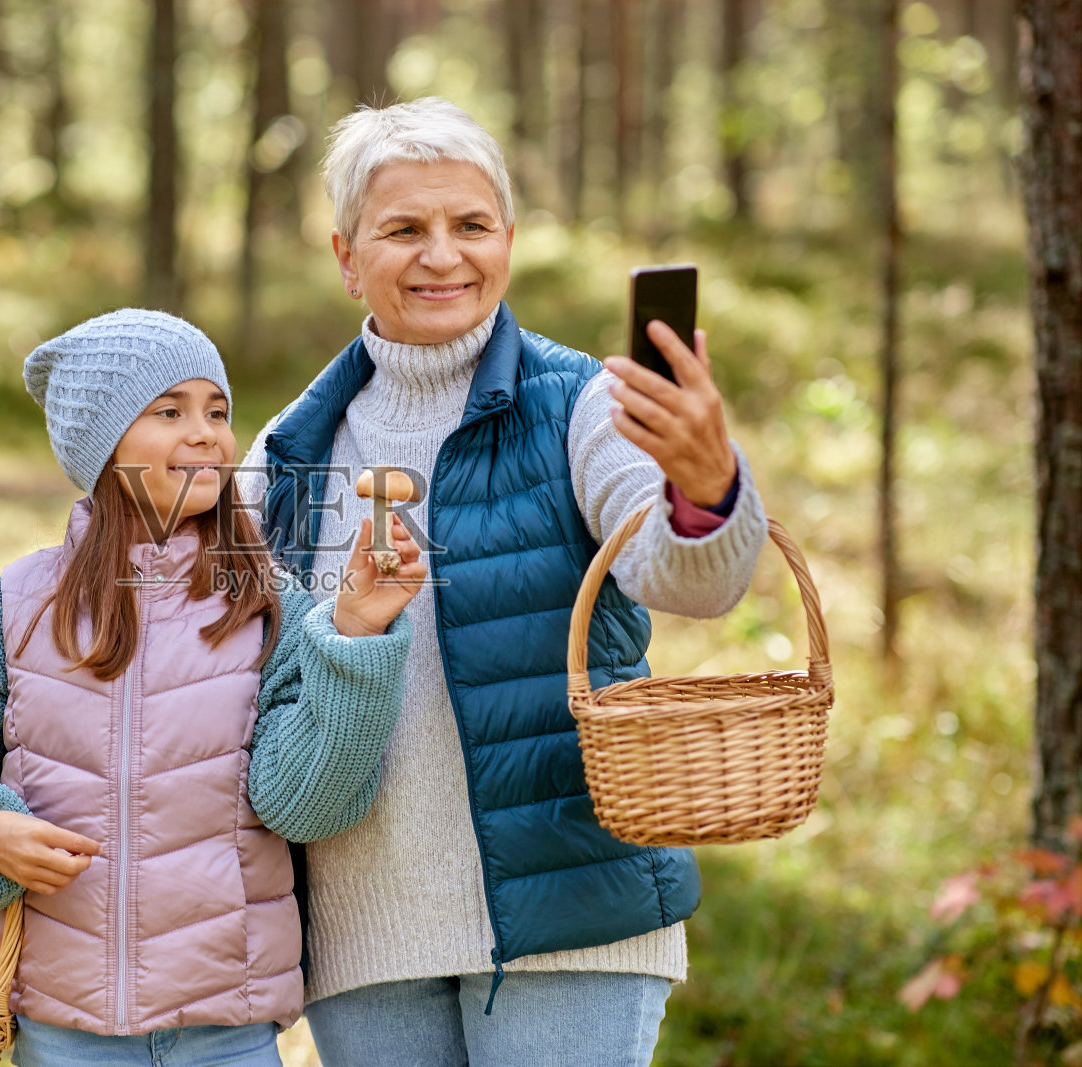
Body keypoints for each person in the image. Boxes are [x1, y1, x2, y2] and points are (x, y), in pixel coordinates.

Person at [236, 97, 770, 1066]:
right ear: (346, 255)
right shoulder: (285, 452)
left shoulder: (584, 407)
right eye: (404, 229)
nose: (443, 254)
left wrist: (705, 485)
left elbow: (690, 580)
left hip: (572, 906)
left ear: (508, 240)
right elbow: (212, 687)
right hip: (360, 928)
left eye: (470, 225)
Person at [0, 309, 426, 1067]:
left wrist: (358, 637)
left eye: (217, 411)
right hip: (61, 1030)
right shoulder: (8, 610)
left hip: (227, 1032)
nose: (206, 431)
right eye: (169, 410)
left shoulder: (269, 604)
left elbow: (305, 806)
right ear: (103, 447)